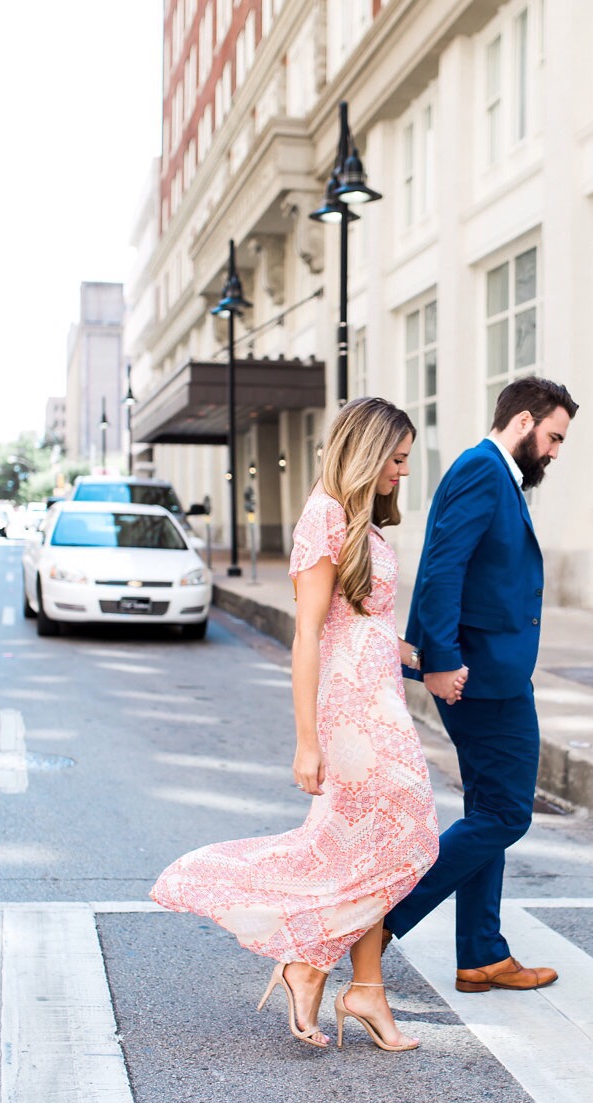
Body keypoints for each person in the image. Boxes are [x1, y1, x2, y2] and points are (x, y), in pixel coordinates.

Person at [150, 397, 439, 1052]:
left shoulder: (363, 526)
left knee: (374, 849)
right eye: (395, 459)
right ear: (364, 452)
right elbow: (306, 635)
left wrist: (424, 658)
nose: (402, 471)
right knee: (412, 837)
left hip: (382, 702)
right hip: (351, 714)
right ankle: (311, 961)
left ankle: (361, 984)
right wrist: (306, 739)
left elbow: (364, 624)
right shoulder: (324, 516)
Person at [385, 377, 578, 992]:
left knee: (487, 809)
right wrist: (440, 660)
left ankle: (481, 955)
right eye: (552, 437)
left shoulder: (497, 475)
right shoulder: (481, 470)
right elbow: (443, 567)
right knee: (506, 813)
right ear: (522, 422)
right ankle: (382, 920)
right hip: (480, 676)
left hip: (491, 669)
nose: (554, 451)